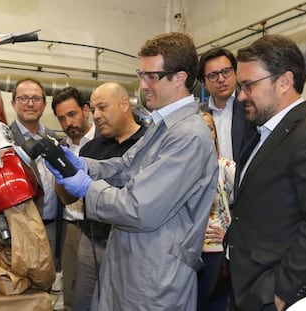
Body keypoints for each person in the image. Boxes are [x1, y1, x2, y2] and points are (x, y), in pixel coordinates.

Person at [46, 32, 218, 310]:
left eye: (151, 76)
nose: (142, 85)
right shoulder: (163, 125)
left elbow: (138, 208)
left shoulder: (189, 136)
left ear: (180, 77)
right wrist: (85, 166)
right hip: (134, 263)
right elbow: (127, 166)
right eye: (141, 74)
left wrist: (87, 187)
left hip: (155, 276)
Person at [225, 34, 306, 311]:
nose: (240, 96)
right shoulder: (260, 135)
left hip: (272, 294)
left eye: (249, 85)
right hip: (244, 286)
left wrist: (280, 291)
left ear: (284, 81)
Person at [69, 82, 147, 311]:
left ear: (124, 104)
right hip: (92, 240)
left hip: (130, 245)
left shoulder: (149, 144)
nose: (96, 116)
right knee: (84, 301)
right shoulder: (90, 150)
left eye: (102, 107)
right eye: (93, 110)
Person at [51, 86, 98, 311]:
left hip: (100, 230)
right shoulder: (60, 148)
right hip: (71, 228)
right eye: (61, 118)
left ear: (86, 110)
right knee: (72, 292)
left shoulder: (104, 141)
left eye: (72, 114)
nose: (68, 122)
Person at [9, 78, 62, 271]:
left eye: (36, 99)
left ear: (44, 104)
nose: (30, 104)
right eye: (23, 98)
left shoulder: (52, 136)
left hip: (51, 228)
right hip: (18, 230)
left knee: (45, 285)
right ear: (13, 103)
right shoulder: (4, 138)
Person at [199, 111, 235, 311]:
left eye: (210, 128)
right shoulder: (184, 168)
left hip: (216, 251)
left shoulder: (225, 166)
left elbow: (252, 200)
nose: (206, 132)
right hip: (190, 251)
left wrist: (230, 234)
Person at [197, 47, 256, 162]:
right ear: (203, 83)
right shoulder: (198, 116)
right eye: (213, 75)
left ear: (235, 73)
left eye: (226, 72)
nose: (221, 79)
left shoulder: (252, 106)